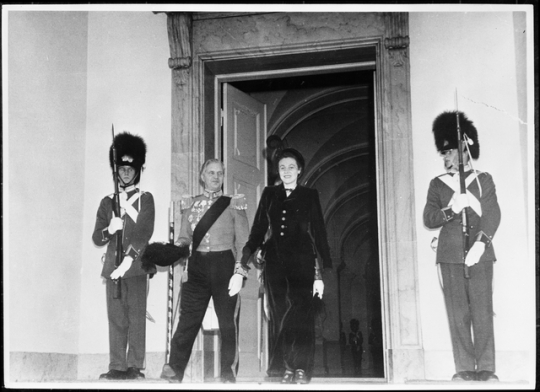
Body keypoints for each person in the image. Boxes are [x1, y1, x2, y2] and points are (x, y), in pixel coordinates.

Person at [241, 148, 332, 384]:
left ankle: (301, 367)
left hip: (302, 260)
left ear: (299, 170)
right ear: (278, 171)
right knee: (280, 313)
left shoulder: (309, 195)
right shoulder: (270, 193)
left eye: (291, 167)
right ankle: (287, 368)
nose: (287, 171)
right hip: (275, 262)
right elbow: (259, 227)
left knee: (300, 313)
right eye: (282, 167)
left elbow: (319, 231)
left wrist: (325, 265)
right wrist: (247, 252)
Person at [423, 111, 501, 382]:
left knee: (482, 310)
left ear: (463, 150)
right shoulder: (437, 184)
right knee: (458, 315)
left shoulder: (484, 180)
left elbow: (492, 214)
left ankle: (487, 368)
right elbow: (429, 218)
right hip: (450, 255)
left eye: (449, 152)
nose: (445, 158)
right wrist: (451, 209)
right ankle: (465, 368)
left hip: (480, 254)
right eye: (443, 154)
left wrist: (481, 243)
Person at [162, 159, 250, 383]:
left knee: (228, 323)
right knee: (187, 321)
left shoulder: (233, 203)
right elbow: (184, 238)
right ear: (202, 176)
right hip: (197, 266)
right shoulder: (190, 204)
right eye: (211, 173)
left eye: (220, 173)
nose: (216, 177)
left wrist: (239, 271)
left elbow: (243, 242)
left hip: (224, 266)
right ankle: (174, 371)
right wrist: (174, 250)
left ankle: (228, 375)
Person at [92, 132, 155, 380]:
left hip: (136, 267)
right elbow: (98, 237)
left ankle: (134, 366)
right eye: (122, 168)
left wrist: (128, 259)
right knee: (116, 317)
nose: (126, 172)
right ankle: (117, 365)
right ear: (116, 170)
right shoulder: (107, 202)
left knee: (136, 317)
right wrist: (110, 228)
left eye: (131, 168)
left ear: (138, 169)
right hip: (112, 267)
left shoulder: (145, 199)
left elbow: (144, 232)